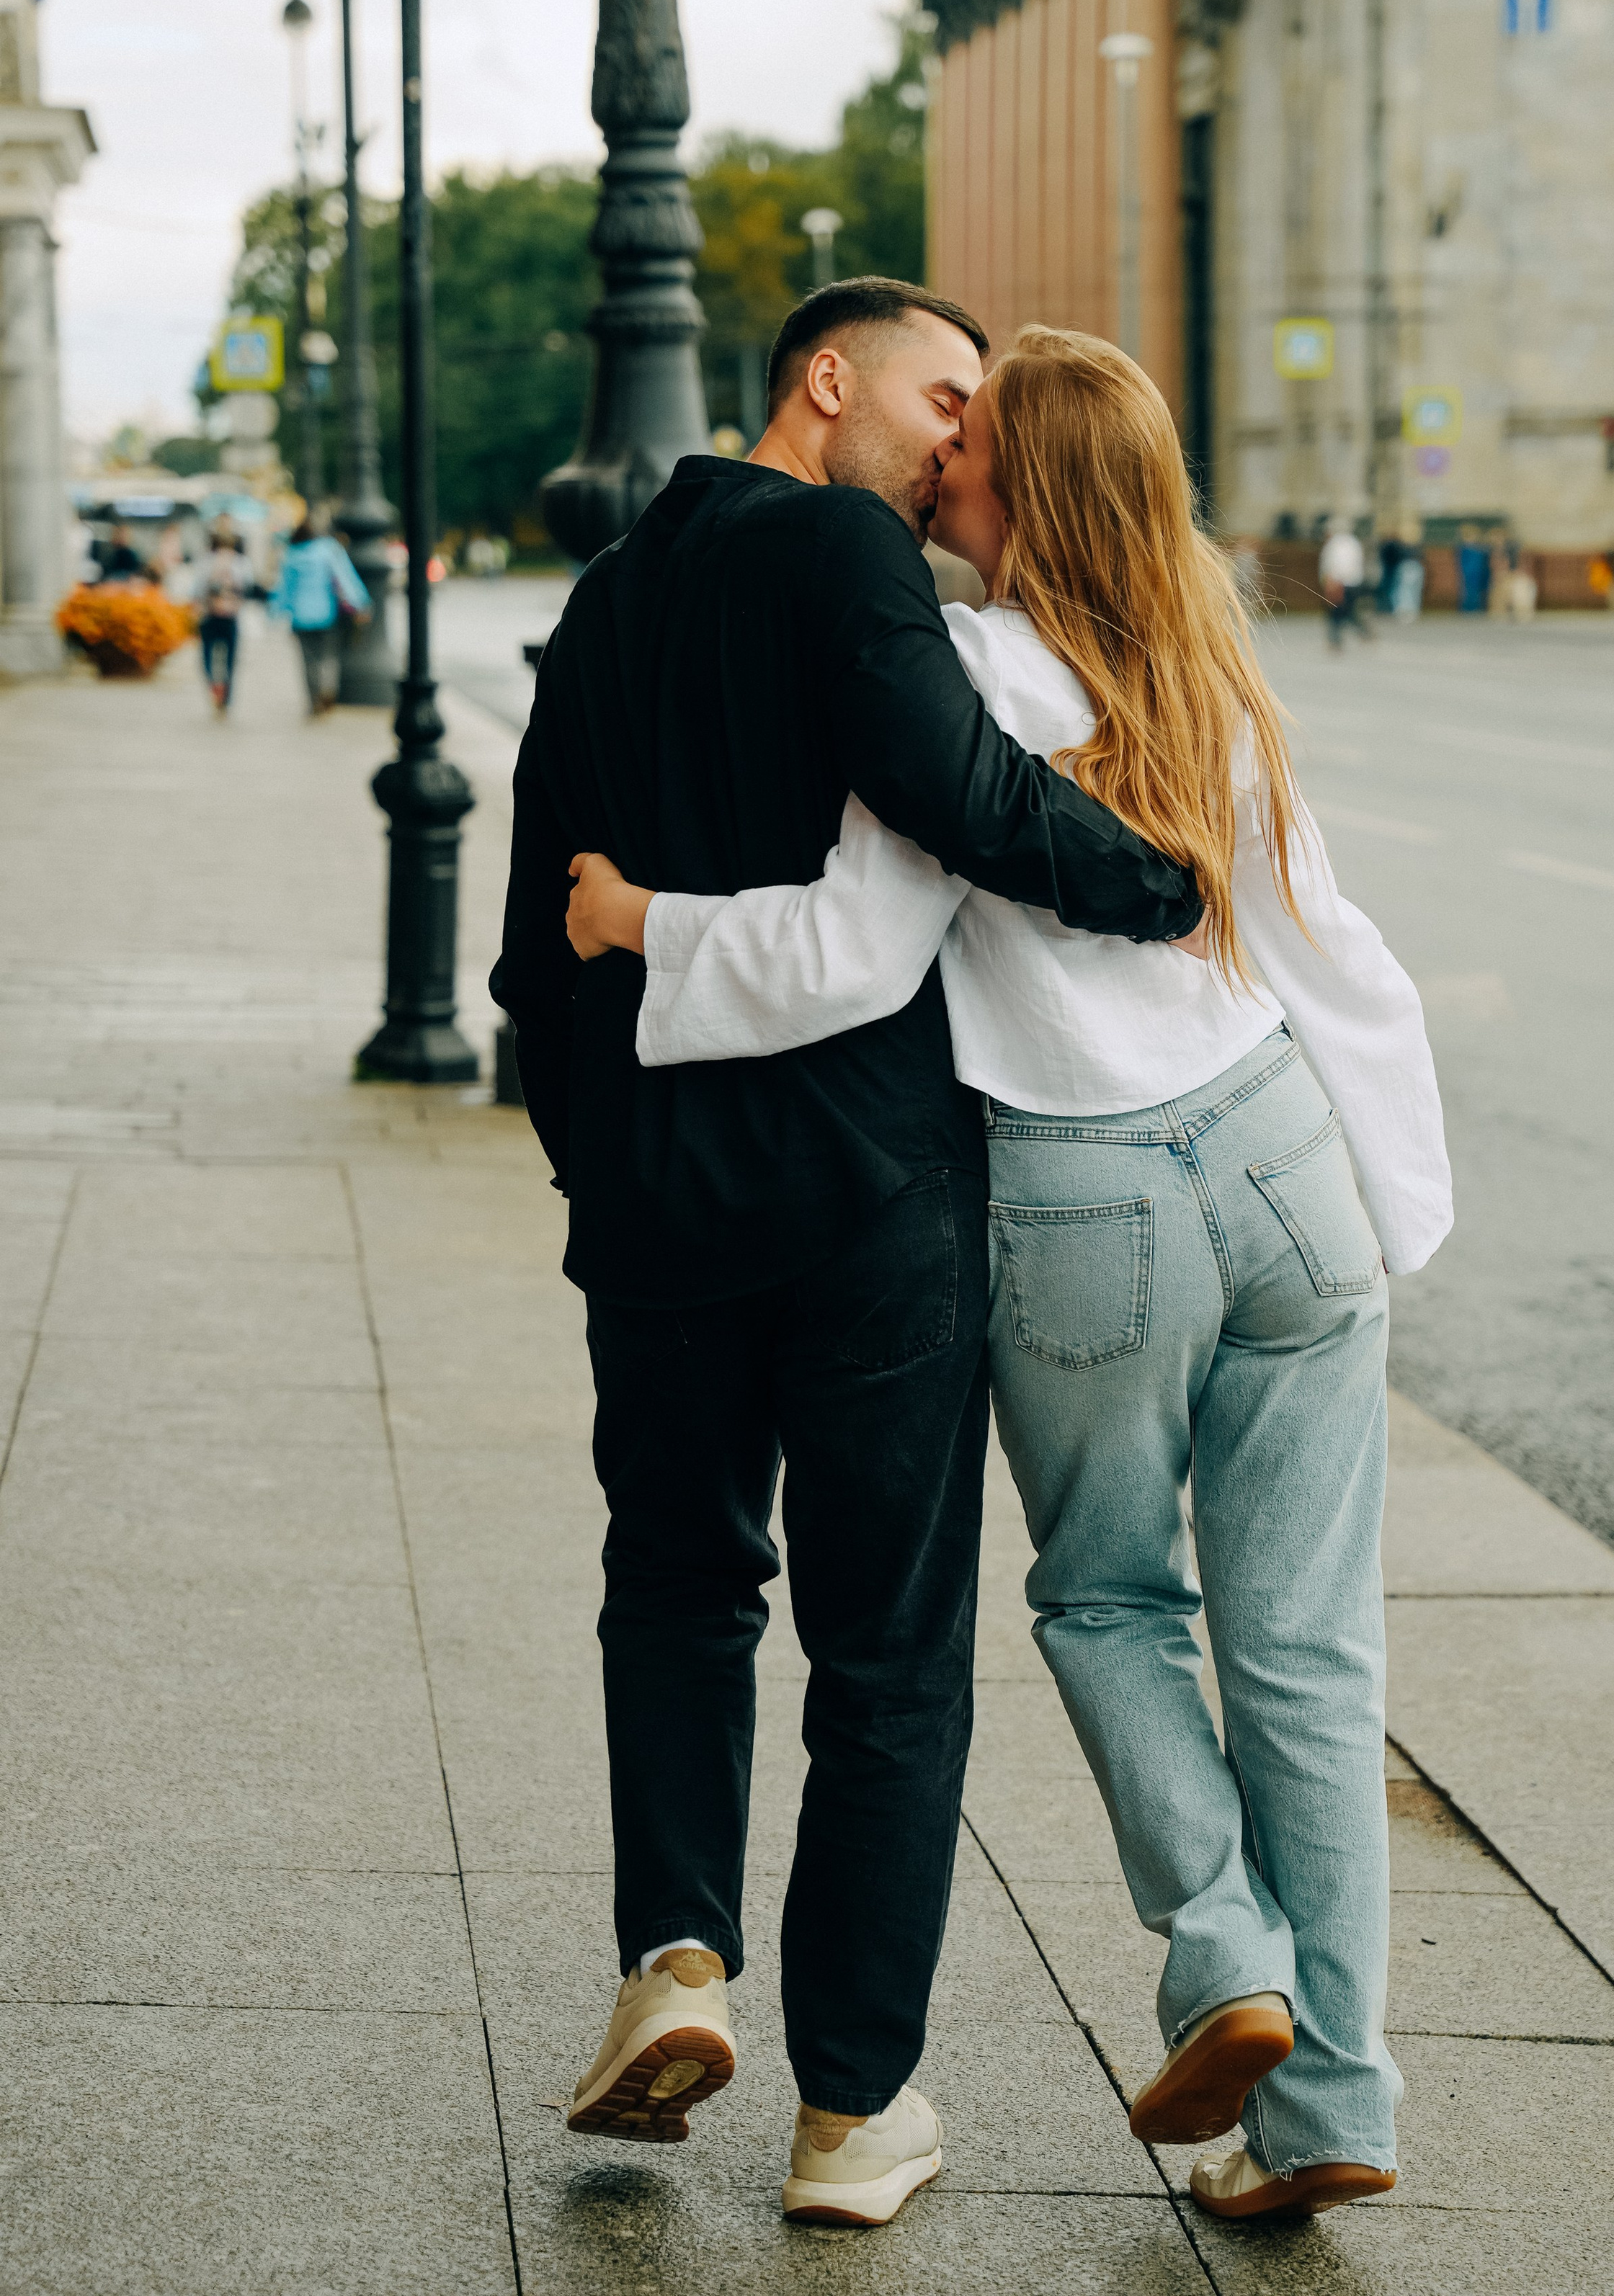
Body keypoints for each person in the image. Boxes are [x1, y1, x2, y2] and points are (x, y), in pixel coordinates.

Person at [568, 326, 1452, 2227]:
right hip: (1286, 1159)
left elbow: (859, 949)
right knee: (1309, 1653)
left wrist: (646, 926)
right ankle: (1335, 2104)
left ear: (1012, 493)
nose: (941, 451)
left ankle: (1226, 1950)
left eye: (974, 435)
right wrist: (1391, 1216)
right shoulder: (1206, 666)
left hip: (1084, 1209)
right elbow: (1331, 944)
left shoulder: (957, 669)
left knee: (1114, 1604)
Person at [489, 280, 1201, 2231]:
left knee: (681, 1584)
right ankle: (853, 2113)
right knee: (885, 1655)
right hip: (870, 1195)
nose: (960, 436)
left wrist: (605, 1168)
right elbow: (958, 796)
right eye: (941, 391)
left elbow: (526, 947)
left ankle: (678, 1961)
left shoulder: (614, 595)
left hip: (656, 1215)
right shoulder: (837, 547)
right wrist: (1169, 878)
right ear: (827, 378)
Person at [269, 510, 369, 715]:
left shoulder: (291, 555)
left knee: (308, 661)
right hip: (326, 614)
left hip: (300, 617)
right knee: (328, 656)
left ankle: (314, 700)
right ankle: (328, 689)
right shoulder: (329, 550)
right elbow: (345, 578)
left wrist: (274, 613)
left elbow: (284, 590)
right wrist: (361, 603)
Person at [195, 524, 249, 713]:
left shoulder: (205, 562)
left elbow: (197, 589)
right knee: (231, 659)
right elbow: (247, 588)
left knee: (208, 654)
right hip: (231, 616)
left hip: (209, 615)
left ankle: (213, 684)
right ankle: (227, 694)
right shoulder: (241, 563)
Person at [1318, 517, 1369, 650]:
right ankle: (1364, 632)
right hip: (1354, 582)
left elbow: (1333, 565)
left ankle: (1335, 640)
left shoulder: (1334, 545)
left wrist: (1331, 582)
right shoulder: (1354, 542)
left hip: (1339, 583)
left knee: (1336, 613)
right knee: (1348, 611)